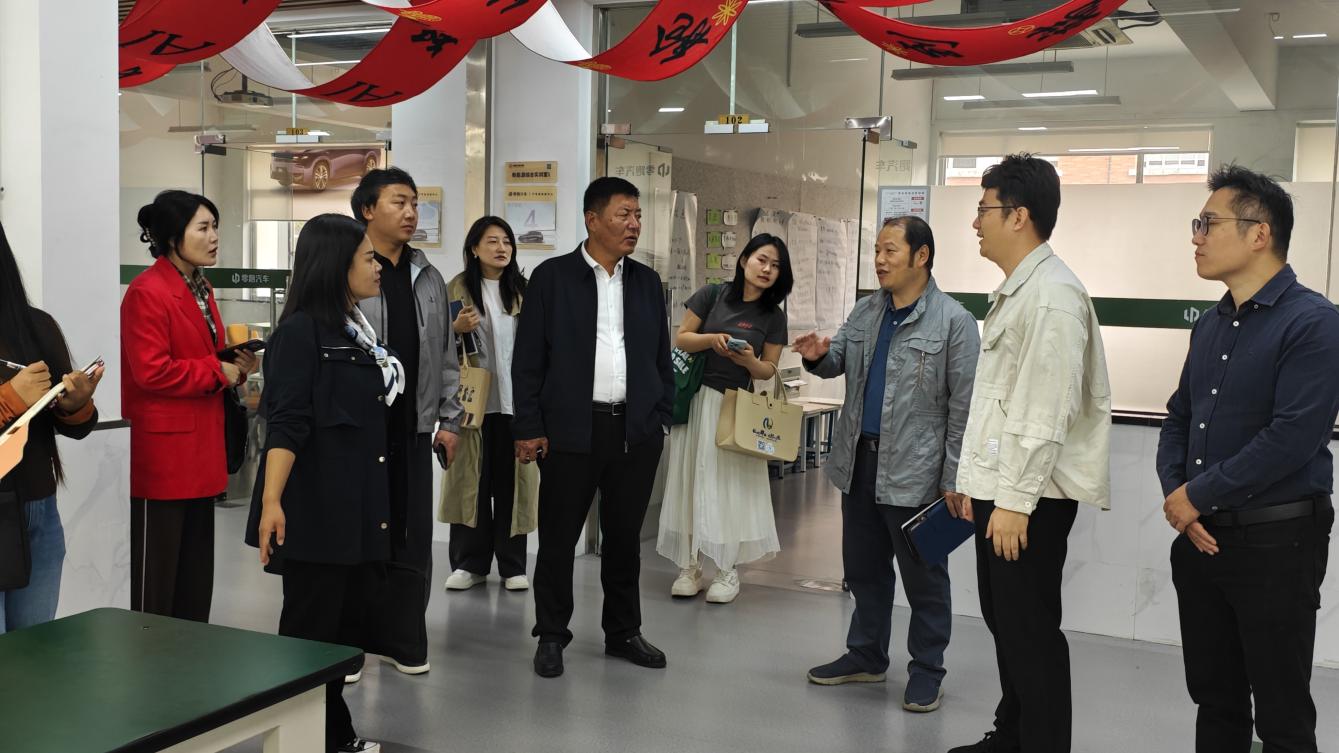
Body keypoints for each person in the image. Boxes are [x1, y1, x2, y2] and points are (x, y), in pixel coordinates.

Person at [1156, 166, 1339, 753]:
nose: (1197, 236)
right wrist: (1181, 497)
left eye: (1208, 223)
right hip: (1203, 540)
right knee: (1217, 702)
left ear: (1260, 233)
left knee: (1282, 716)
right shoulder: (1212, 324)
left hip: (1276, 545)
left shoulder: (1313, 323)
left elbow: (1292, 438)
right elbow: (1179, 418)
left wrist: (1195, 496)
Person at [946, 154, 1111, 753]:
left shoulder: (1052, 296)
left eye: (983, 209)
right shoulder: (1022, 289)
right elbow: (999, 404)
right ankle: (1012, 735)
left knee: (1030, 631)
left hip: (1029, 499)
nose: (976, 223)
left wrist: (1014, 503)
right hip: (1005, 491)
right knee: (1006, 622)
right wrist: (974, 483)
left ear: (1018, 216)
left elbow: (1045, 410)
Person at [794, 216, 978, 712]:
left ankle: (927, 671)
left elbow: (964, 409)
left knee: (925, 580)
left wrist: (953, 478)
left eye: (890, 250)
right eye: (877, 250)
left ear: (922, 256)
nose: (879, 260)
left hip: (917, 473)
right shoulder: (866, 310)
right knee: (864, 571)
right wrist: (817, 356)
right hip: (859, 463)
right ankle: (866, 655)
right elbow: (837, 361)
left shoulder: (954, 323)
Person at [512, 176, 674, 678]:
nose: (634, 224)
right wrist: (529, 426)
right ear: (592, 219)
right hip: (570, 431)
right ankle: (551, 634)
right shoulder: (552, 278)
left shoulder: (646, 282)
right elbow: (528, 360)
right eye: (624, 214)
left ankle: (623, 632)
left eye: (638, 215)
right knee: (559, 540)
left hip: (634, 431)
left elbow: (660, 356)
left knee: (623, 540)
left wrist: (659, 417)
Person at [247, 213, 392, 753]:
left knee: (337, 635)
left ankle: (329, 735)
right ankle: (308, 739)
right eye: (368, 258)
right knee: (309, 635)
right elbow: (286, 423)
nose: (377, 266)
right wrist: (272, 501)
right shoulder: (299, 333)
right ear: (336, 266)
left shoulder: (354, 331)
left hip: (357, 506)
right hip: (316, 510)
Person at [122, 190, 258, 622]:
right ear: (171, 237)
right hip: (162, 458)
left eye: (215, 226)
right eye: (203, 227)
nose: (214, 236)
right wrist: (218, 372)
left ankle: (189, 652)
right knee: (156, 584)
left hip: (200, 450)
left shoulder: (201, 287)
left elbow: (201, 356)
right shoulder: (147, 292)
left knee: (194, 578)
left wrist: (236, 364)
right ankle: (149, 657)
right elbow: (152, 371)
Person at [350, 167, 459, 677]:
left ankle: (404, 641)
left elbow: (446, 356)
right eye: (399, 202)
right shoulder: (346, 270)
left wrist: (451, 420)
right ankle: (350, 644)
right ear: (368, 209)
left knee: (411, 537)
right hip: (360, 431)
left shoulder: (427, 275)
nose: (412, 212)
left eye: (415, 202)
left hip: (413, 428)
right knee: (361, 533)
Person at [656, 233, 792, 604]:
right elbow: (683, 338)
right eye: (762, 259)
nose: (767, 269)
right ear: (745, 259)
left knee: (729, 486)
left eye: (776, 265)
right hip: (697, 399)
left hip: (736, 407)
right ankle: (690, 566)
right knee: (690, 480)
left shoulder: (773, 316)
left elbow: (768, 370)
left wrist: (748, 360)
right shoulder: (711, 295)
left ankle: (727, 570)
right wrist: (712, 339)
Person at [0, 220, 103, 634]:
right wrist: (10, 398)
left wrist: (76, 405)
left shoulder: (36, 325)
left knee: (35, 653)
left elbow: (76, 425)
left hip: (38, 511)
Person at [439, 216, 538, 592]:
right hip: (471, 407)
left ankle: (513, 565)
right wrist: (454, 330)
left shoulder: (523, 290)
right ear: (474, 248)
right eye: (493, 241)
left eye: (507, 242)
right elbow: (433, 342)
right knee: (471, 484)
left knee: (514, 486)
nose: (502, 248)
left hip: (515, 405)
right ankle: (470, 563)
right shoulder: (456, 288)